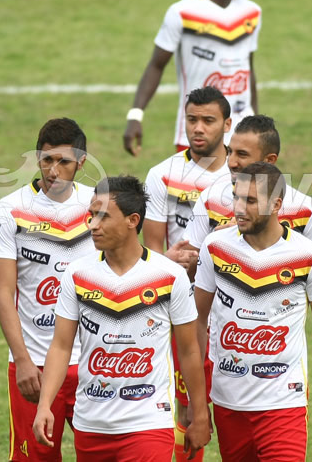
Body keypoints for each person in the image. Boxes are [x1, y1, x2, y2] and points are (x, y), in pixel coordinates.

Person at [32, 176, 210, 461]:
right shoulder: (77, 275)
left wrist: (199, 413)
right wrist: (44, 406)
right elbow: (61, 346)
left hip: (148, 424)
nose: (93, 225)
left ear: (132, 220)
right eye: (91, 216)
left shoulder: (169, 276)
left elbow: (189, 350)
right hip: (90, 426)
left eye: (103, 216)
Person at [183, 114, 312, 390]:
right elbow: (191, 271)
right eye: (230, 152)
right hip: (218, 343)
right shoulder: (210, 198)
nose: (232, 162)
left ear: (270, 161)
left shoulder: (305, 209)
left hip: (276, 352)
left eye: (242, 154)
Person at [194, 162, 312, 461]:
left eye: (250, 201)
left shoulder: (309, 255)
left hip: (284, 404)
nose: (239, 208)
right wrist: (198, 405)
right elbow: (197, 323)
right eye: (236, 197)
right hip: (228, 403)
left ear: (276, 204)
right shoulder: (214, 247)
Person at [0, 118, 96, 461]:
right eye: (47, 159)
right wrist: (21, 360)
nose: (53, 170)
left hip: (94, 363)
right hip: (34, 363)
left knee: (102, 454)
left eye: (63, 161)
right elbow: (2, 292)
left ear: (81, 162)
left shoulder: (99, 206)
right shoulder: (9, 210)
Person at [142, 85, 230, 461]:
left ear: (227, 125)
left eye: (208, 121)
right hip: (184, 304)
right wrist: (170, 262)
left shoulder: (242, 175)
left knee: (231, 408)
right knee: (187, 407)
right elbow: (149, 253)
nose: (198, 128)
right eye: (192, 119)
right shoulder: (163, 175)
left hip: (234, 301)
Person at [123, 0, 260, 155]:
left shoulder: (252, 13)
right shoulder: (183, 13)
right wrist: (136, 115)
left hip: (241, 137)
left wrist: (256, 124)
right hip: (198, 135)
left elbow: (248, 69)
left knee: (249, 191)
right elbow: (156, 65)